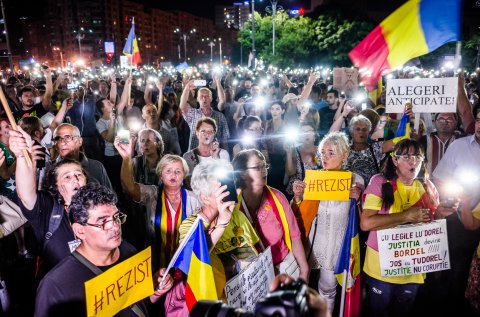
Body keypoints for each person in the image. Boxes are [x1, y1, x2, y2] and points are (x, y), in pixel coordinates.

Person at [34, 183, 173, 317]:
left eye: (116, 217)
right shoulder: (56, 285)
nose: (115, 227)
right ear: (80, 231)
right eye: (103, 222)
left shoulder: (129, 251)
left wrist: (154, 291)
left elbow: (139, 305)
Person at [360, 139, 439, 316]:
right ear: (395, 160)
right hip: (381, 268)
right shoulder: (379, 182)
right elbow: (366, 223)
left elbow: (435, 222)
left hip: (413, 268)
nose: (413, 161)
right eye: (406, 156)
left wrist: (447, 211)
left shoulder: (429, 187)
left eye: (417, 157)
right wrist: (406, 216)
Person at [290, 132, 363, 313]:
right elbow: (298, 213)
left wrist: (358, 199)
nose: (325, 157)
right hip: (317, 242)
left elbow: (362, 218)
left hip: (340, 244)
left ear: (344, 155)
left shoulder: (355, 180)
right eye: (322, 153)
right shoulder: (314, 180)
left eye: (331, 153)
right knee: (317, 287)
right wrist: (298, 196)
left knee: (334, 288)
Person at [9, 126, 89, 273]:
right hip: (62, 290)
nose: (75, 179)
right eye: (67, 177)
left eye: (78, 174)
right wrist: (21, 156)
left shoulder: (97, 208)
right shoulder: (48, 210)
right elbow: (26, 194)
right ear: (56, 185)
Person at [178, 160, 260, 302]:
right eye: (222, 187)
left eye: (228, 183)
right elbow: (191, 260)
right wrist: (222, 223)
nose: (229, 189)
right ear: (205, 197)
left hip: (253, 296)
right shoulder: (190, 225)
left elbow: (255, 250)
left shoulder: (237, 215)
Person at [115, 138, 201, 269]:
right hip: (156, 260)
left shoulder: (194, 199)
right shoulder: (152, 194)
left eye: (178, 171)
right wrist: (127, 158)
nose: (173, 175)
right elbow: (129, 188)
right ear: (161, 175)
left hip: (187, 260)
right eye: (168, 171)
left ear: (184, 175)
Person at [232, 149, 309, 281]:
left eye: (265, 166)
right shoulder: (232, 207)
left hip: (285, 268)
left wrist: (304, 270)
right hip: (256, 276)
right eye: (257, 167)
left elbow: (294, 236)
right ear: (243, 173)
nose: (264, 171)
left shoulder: (278, 197)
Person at [52, 123, 112, 189]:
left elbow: (110, 196)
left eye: (68, 137)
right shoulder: (50, 169)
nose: (63, 142)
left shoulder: (96, 167)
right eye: (58, 139)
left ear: (80, 141)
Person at [179, 76, 229, 150]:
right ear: (197, 99)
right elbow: (182, 107)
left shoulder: (220, 116)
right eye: (201, 96)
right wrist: (187, 88)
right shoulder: (193, 114)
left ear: (211, 99)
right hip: (195, 156)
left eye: (207, 96)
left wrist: (225, 158)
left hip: (214, 156)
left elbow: (225, 140)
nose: (204, 98)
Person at [285, 122, 322, 196]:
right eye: (303, 132)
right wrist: (289, 153)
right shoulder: (294, 151)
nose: (306, 134)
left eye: (309, 131)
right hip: (296, 192)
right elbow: (290, 172)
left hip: (316, 191)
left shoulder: (322, 151)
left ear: (315, 135)